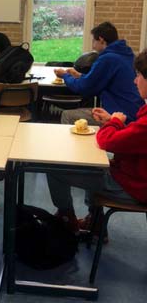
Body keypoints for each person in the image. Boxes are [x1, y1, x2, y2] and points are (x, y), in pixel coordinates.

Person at [47, 48, 147, 237]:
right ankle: (95, 222)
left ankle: (67, 219)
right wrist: (113, 120)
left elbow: (106, 141)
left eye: (139, 76)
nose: (135, 81)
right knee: (94, 166)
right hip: (133, 177)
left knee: (54, 169)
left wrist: (114, 123)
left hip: (134, 186)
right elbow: (135, 139)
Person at [54, 22, 144, 125]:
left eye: (93, 41)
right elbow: (101, 79)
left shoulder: (107, 58)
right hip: (136, 113)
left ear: (101, 40)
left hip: (121, 116)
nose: (93, 46)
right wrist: (79, 75)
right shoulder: (127, 54)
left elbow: (84, 88)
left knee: (67, 116)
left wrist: (65, 76)